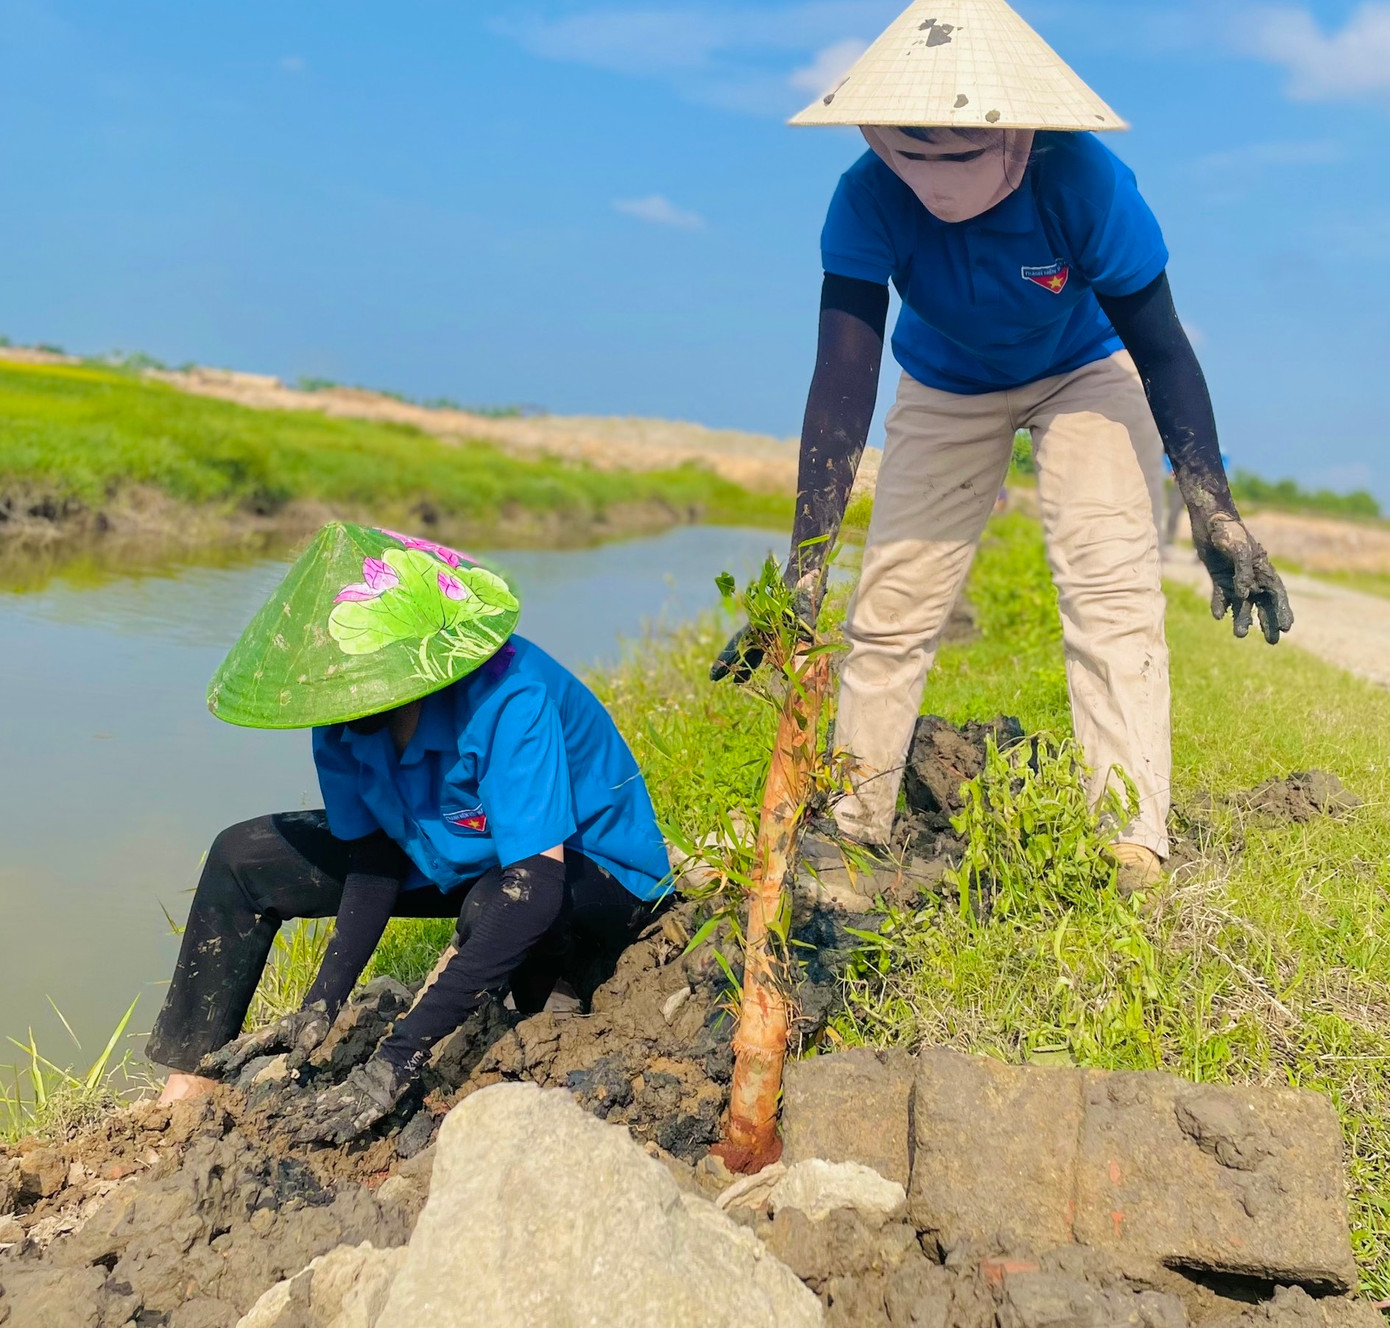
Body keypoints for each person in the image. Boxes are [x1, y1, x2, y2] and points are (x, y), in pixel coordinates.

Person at [712, 0, 1293, 892]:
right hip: (946, 379)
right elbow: (841, 381)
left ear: (1019, 136)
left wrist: (1216, 513)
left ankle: (1129, 835)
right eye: (912, 155)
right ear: (873, 136)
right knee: (892, 604)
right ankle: (854, 822)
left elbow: (1165, 351)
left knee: (1109, 586)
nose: (936, 180)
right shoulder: (866, 197)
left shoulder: (1085, 184)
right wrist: (805, 564)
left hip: (1085, 368)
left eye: (962, 156)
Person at [148, 523, 671, 1142]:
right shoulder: (343, 713)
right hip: (452, 849)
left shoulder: (510, 695)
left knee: (496, 905)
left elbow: (533, 886)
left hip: (582, 871)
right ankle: (191, 1082)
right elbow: (375, 859)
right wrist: (321, 1003)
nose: (338, 704)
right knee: (240, 857)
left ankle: (555, 996)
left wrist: (394, 1061)